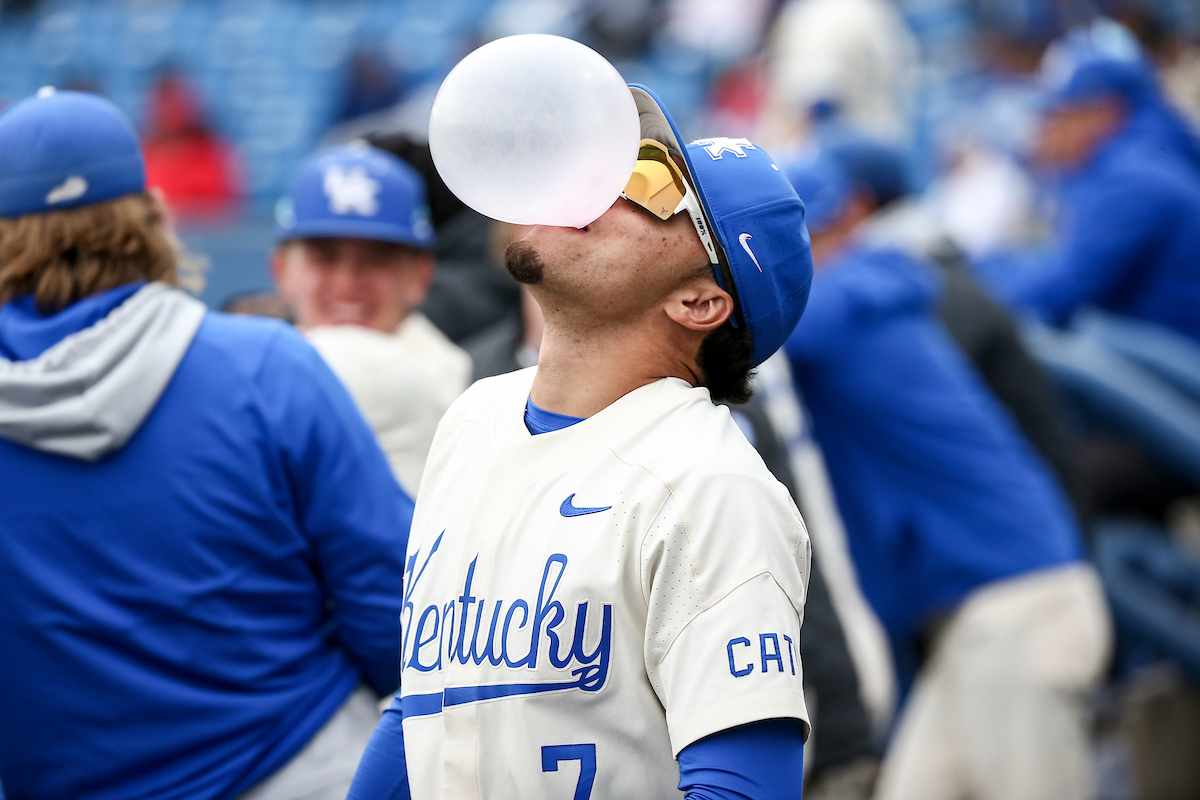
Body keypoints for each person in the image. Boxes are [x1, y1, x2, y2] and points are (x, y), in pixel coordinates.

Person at [348, 86, 815, 799]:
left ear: (699, 302)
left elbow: (742, 788)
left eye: (648, 184)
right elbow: (427, 707)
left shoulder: (711, 485)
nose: (595, 189)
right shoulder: (472, 418)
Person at [0, 90, 413, 800]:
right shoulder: (265, 364)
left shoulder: (267, 365)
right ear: (153, 218)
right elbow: (397, 610)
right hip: (299, 768)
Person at [783, 152, 1111, 800]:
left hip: (1017, 602)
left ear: (846, 221)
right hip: (979, 616)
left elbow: (761, 335)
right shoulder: (867, 291)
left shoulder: (848, 301)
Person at [982, 22, 1200, 343]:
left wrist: (976, 278)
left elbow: (1055, 297)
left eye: (1060, 113)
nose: (1047, 129)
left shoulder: (1133, 179)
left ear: (1105, 111)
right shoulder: (1141, 156)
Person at [271, 144, 471, 495]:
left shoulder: (461, 387)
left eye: (378, 258)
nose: (348, 282)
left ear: (420, 275)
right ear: (282, 270)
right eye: (325, 257)